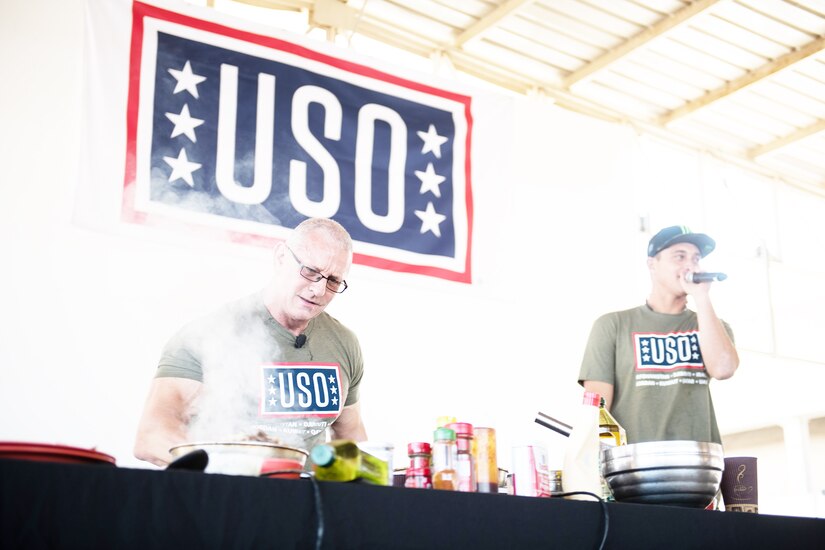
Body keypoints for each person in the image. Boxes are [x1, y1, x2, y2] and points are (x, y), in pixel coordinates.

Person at [134, 217, 367, 467]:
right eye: (310, 271)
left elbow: (351, 437)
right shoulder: (210, 333)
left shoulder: (344, 343)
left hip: (309, 500)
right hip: (226, 495)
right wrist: (225, 473)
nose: (318, 290)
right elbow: (152, 437)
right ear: (280, 257)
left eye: (333, 280)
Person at [578, 225, 739, 444]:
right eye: (679, 257)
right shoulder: (613, 325)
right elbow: (596, 409)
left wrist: (702, 297)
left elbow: (723, 369)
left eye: (695, 258)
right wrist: (607, 466)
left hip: (698, 464)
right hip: (633, 465)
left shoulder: (711, 325)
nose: (689, 266)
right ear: (652, 264)